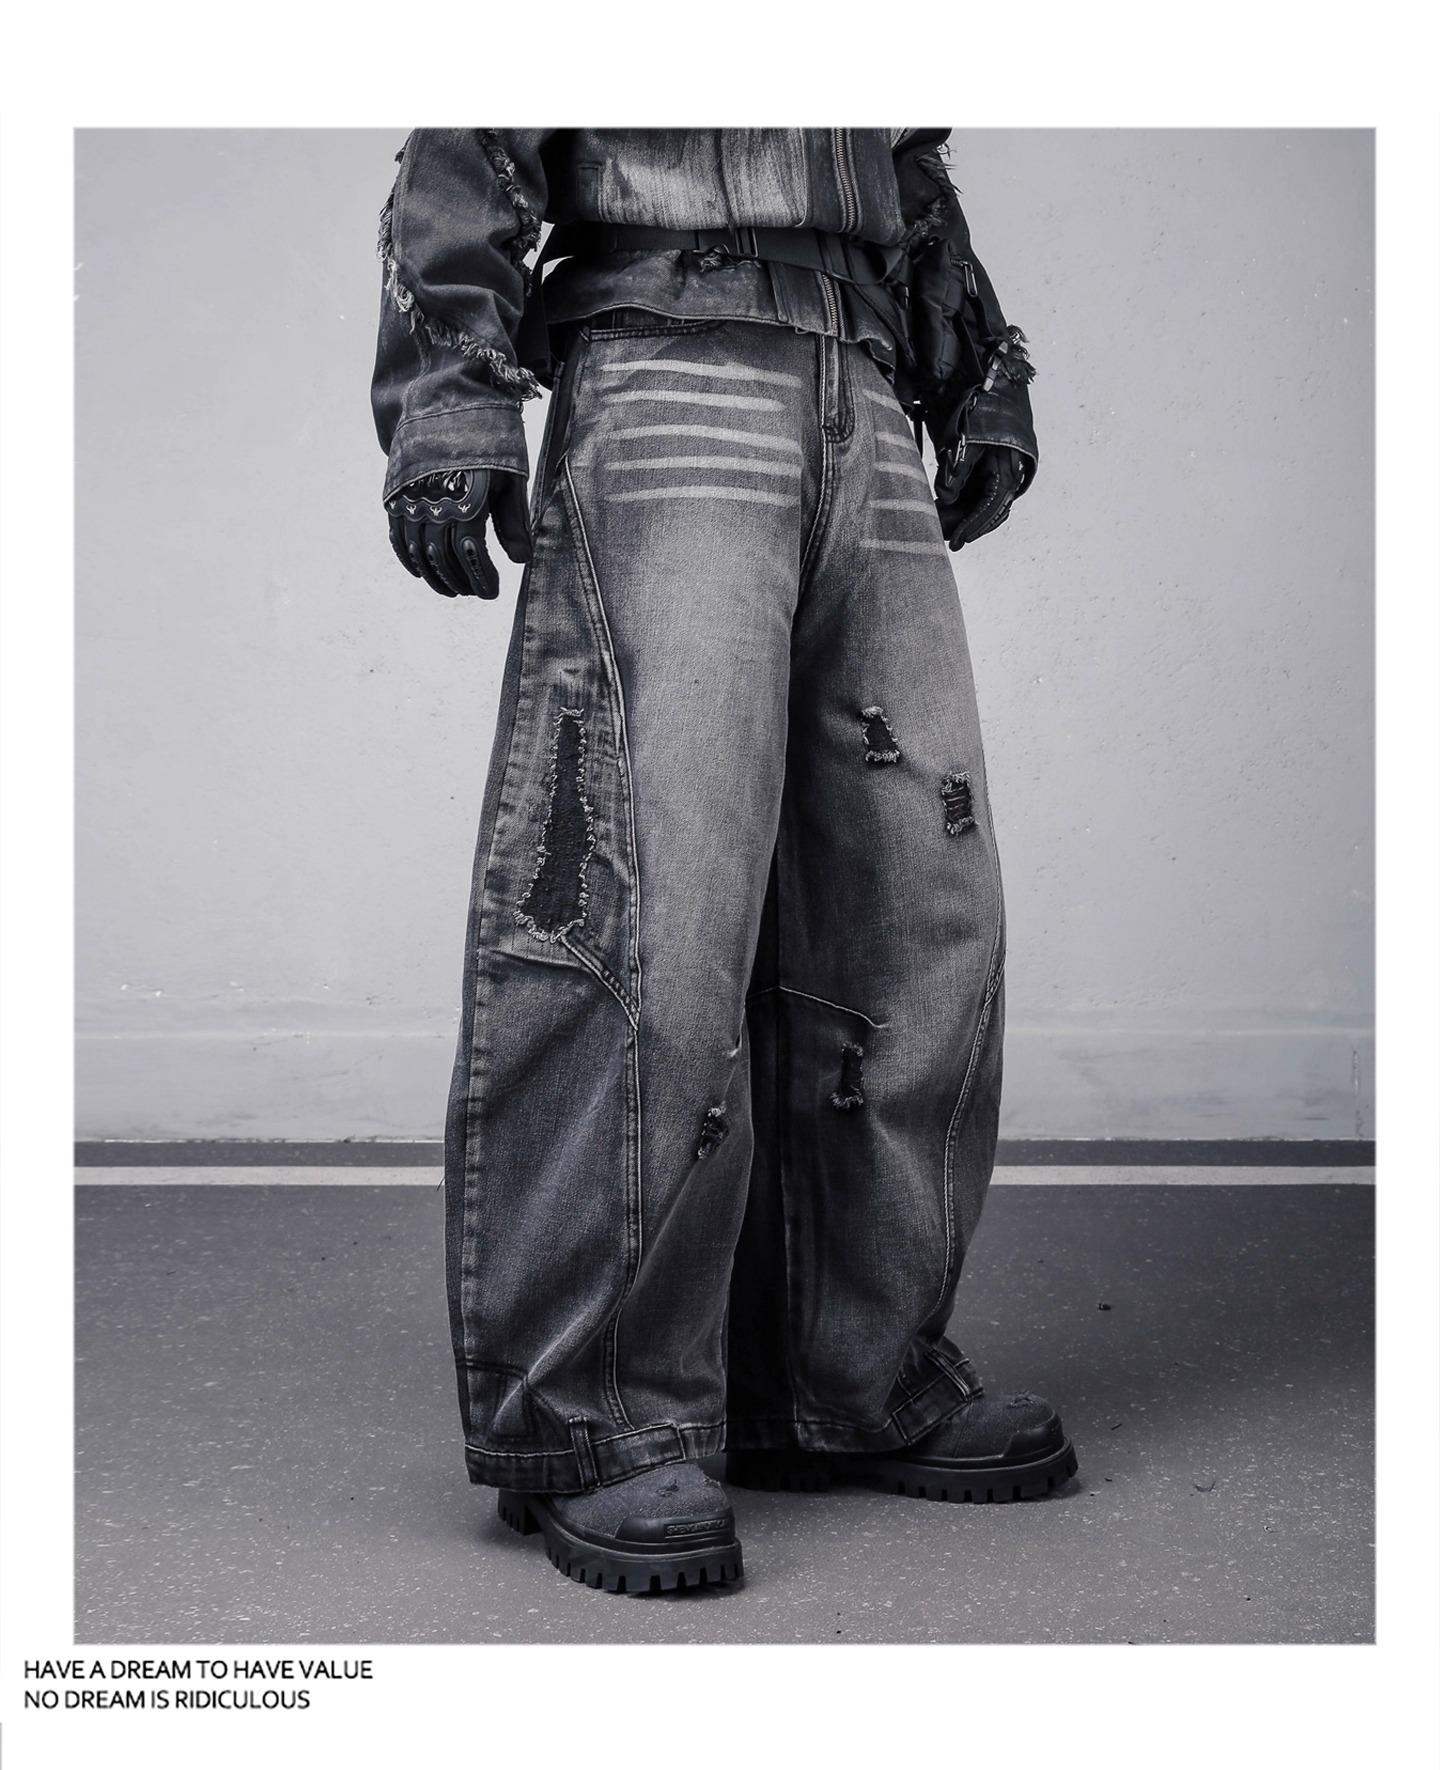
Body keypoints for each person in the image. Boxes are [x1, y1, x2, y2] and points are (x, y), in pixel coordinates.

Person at [372, 129, 1077, 1595]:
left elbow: (896, 153)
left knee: (912, 903)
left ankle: (843, 1371)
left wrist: (971, 362)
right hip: (665, 354)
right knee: (648, 893)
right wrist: (448, 392)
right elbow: (480, 121)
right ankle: (597, 1417)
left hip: (863, 380)